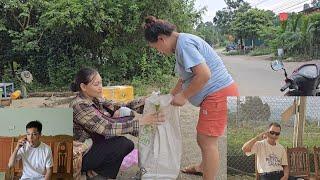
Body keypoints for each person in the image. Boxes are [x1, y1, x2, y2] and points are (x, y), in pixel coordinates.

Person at [143, 16, 239, 180]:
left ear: (161, 39)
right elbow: (185, 78)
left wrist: (184, 96)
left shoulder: (184, 45)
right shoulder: (181, 43)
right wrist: (171, 95)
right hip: (216, 94)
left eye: (156, 48)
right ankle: (203, 167)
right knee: (203, 138)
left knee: (207, 141)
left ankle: (208, 175)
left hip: (218, 94)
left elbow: (204, 74)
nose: (159, 51)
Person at [70, 67, 164, 179]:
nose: (101, 87)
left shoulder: (95, 99)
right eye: (96, 84)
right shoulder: (79, 105)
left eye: (101, 83)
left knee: (126, 144)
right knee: (121, 144)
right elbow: (106, 128)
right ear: (83, 87)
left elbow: (122, 105)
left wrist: (146, 101)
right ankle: (93, 172)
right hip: (81, 153)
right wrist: (141, 122)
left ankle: (96, 173)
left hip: (94, 144)